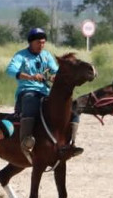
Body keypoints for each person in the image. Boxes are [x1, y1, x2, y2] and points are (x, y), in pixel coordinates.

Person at [6, 27, 81, 155]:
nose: (41, 45)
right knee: (30, 100)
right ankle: (26, 139)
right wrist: (30, 77)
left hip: (45, 93)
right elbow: (10, 70)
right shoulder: (21, 56)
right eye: (38, 42)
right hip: (27, 91)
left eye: (43, 42)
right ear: (30, 42)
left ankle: (71, 142)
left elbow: (56, 71)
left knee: (73, 106)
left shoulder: (46, 56)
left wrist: (53, 77)